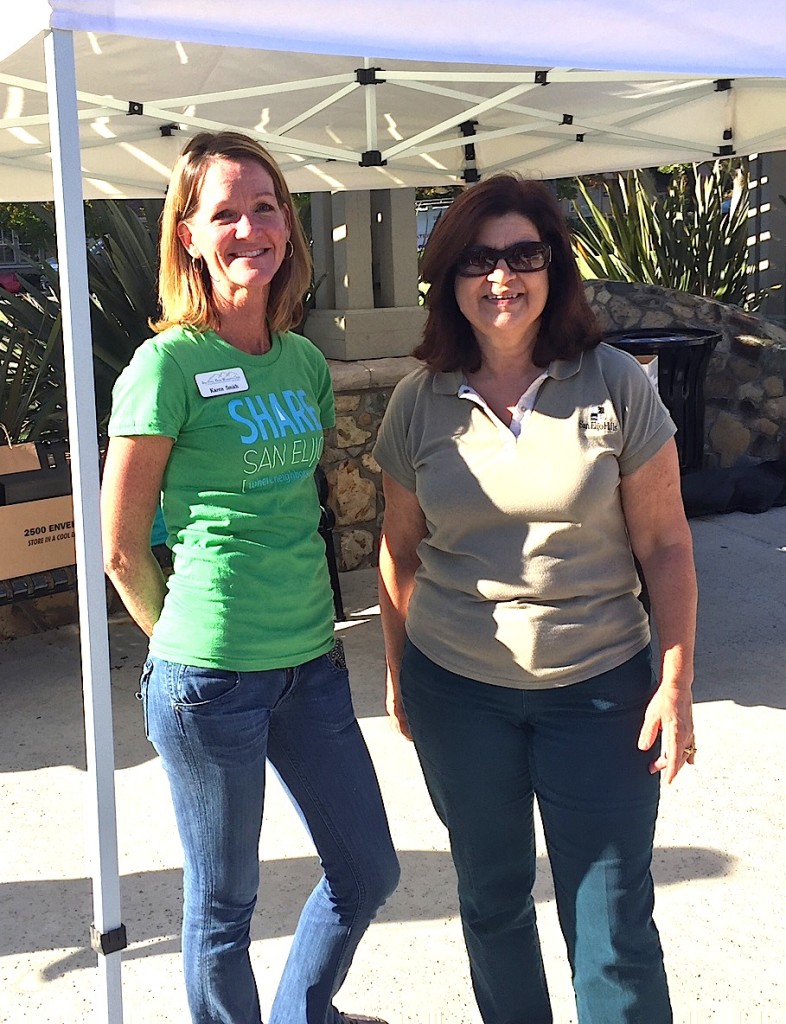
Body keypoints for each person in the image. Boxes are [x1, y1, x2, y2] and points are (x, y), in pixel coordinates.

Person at [374, 174, 697, 1024]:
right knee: (491, 902)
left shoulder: (616, 383)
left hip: (601, 694)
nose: (501, 277)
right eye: (478, 259)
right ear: (449, 278)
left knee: (614, 925)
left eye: (524, 254)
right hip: (461, 695)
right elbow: (398, 551)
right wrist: (401, 669)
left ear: (554, 268)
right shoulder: (419, 402)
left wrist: (675, 679)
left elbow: (665, 544)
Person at [101, 131, 398, 1024]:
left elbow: (298, 501)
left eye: (264, 206)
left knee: (368, 870)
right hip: (210, 680)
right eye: (223, 211)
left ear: (288, 227)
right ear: (187, 235)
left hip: (312, 665)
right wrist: (187, 643)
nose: (248, 227)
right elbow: (120, 545)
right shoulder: (166, 366)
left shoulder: (303, 363)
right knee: (223, 910)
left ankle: (307, 1011)